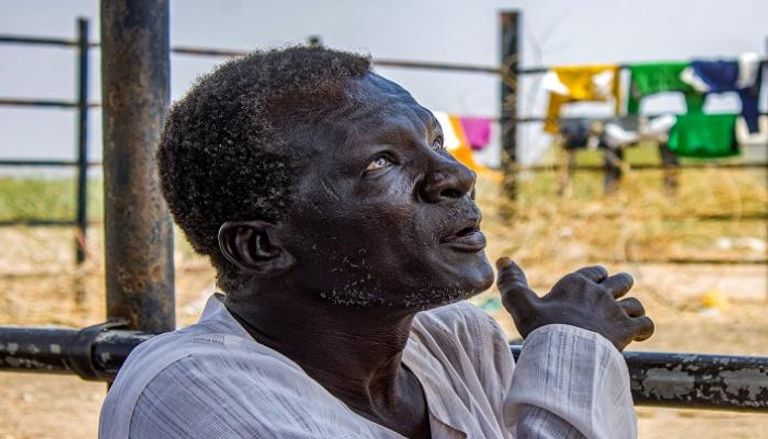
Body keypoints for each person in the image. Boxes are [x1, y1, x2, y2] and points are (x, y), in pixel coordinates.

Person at [99, 46, 654, 439]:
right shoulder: (194, 393)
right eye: (381, 161)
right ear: (260, 246)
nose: (455, 175)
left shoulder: (456, 340)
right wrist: (573, 354)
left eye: (435, 139)